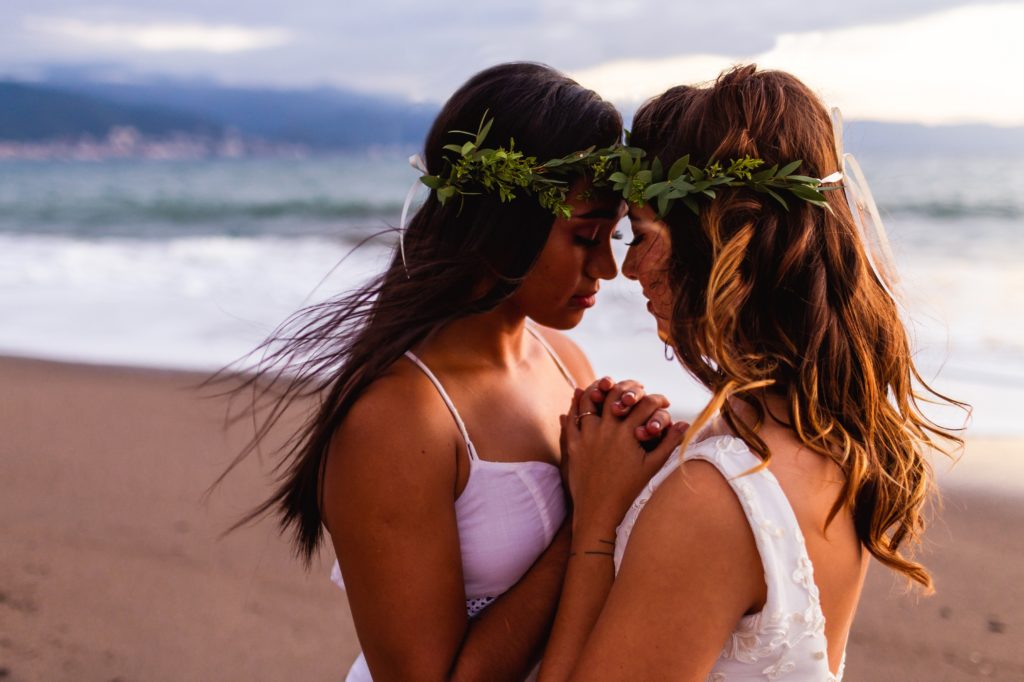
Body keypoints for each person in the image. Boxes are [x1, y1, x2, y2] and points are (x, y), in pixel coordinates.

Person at [223, 62, 674, 681]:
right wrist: (591, 514)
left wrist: (632, 455)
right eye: (584, 236)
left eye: (614, 236)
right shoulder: (397, 419)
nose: (606, 267)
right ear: (504, 224)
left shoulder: (562, 360)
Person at [537, 65, 966, 681]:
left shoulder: (712, 504)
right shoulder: (835, 438)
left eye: (641, 234)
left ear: (725, 241)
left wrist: (597, 520)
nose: (628, 270)